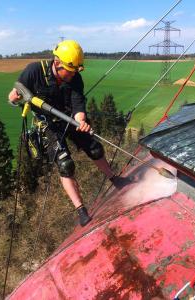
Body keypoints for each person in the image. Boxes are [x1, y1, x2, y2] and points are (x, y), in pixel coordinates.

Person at [8, 40, 120, 226]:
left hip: (70, 117)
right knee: (65, 164)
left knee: (95, 149)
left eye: (76, 70)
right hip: (48, 123)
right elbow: (15, 94)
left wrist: (81, 120)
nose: (73, 74)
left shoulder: (74, 77)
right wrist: (14, 98)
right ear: (57, 62)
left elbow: (78, 103)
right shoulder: (34, 71)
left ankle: (114, 179)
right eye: (70, 70)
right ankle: (81, 210)